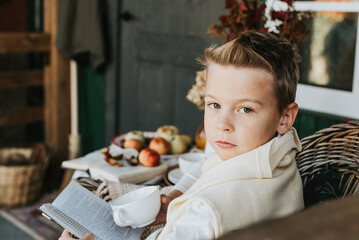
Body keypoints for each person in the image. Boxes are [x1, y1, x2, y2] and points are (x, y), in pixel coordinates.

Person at [59, 30, 304, 240]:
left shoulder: (206, 215)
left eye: (245, 109)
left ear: (285, 117)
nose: (223, 124)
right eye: (215, 105)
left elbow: (209, 206)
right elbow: (208, 166)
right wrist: (177, 195)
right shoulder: (269, 153)